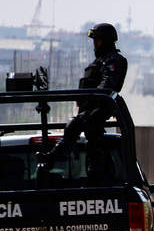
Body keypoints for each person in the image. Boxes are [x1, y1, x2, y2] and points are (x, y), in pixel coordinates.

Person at [37, 23, 128, 173]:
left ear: (105, 41)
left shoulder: (113, 60)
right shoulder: (101, 60)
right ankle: (54, 159)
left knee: (79, 129)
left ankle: (54, 159)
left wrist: (93, 97)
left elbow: (107, 84)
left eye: (97, 41)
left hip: (100, 107)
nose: (95, 45)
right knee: (87, 135)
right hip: (91, 106)